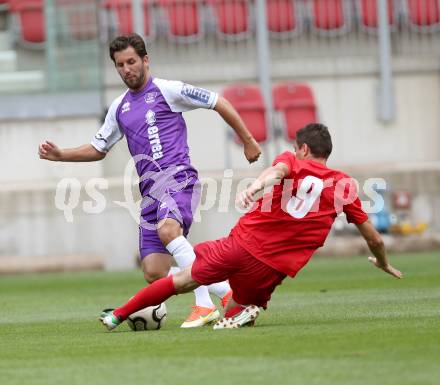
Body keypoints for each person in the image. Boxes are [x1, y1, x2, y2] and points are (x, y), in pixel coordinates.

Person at [38, 33, 262, 328]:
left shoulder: (169, 90)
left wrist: (247, 140)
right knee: (154, 272)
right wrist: (61, 154)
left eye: (131, 61)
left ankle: (214, 301)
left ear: (145, 60)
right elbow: (98, 148)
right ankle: (215, 296)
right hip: (150, 193)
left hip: (178, 178)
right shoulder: (119, 108)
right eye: (120, 65)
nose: (126, 69)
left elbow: (218, 102)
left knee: (169, 231)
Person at [100, 123, 402, 331]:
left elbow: (278, 170)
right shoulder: (345, 185)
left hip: (242, 246)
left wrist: (255, 187)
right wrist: (384, 263)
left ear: (304, 149)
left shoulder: (292, 160)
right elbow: (373, 238)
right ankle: (243, 312)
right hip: (274, 269)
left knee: (182, 281)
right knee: (235, 312)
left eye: (297, 149)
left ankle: (117, 316)